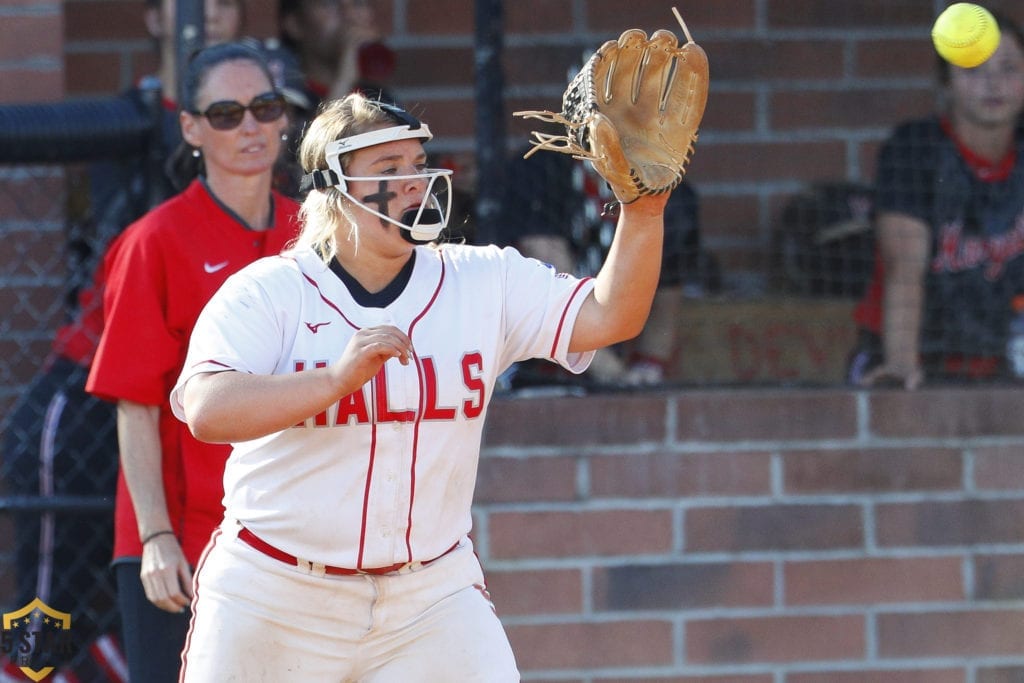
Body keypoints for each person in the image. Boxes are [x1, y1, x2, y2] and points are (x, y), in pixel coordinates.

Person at [168, 93, 669, 680]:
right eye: (388, 170)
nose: (413, 182)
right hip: (277, 591)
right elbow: (206, 409)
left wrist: (644, 213)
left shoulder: (482, 278)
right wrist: (334, 380)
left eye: (417, 164)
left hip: (429, 594)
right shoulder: (270, 291)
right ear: (332, 188)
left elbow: (612, 317)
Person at [0, 1, 246, 679]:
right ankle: (26, 673)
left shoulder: (261, 126)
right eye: (221, 116)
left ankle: (78, 664)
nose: (212, 14)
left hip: (187, 398)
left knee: (134, 604)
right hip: (90, 380)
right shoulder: (135, 115)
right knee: (49, 583)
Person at [84, 41, 301, 683]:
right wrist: (154, 539)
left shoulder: (313, 233)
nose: (251, 127)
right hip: (184, 541)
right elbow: (135, 403)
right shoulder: (153, 242)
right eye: (227, 113)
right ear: (192, 128)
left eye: (264, 107)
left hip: (293, 538)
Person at [849, 7, 1024, 390]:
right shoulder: (914, 149)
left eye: (1009, 69)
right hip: (910, 352)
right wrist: (900, 365)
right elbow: (903, 267)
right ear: (946, 83)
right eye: (973, 71)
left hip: (1004, 358)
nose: (992, 84)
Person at [498, 148, 718, 388]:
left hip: (614, 363)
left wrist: (646, 370)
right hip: (536, 369)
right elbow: (557, 290)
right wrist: (615, 376)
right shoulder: (541, 169)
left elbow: (666, 295)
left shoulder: (670, 193)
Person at [278, 0, 397, 107]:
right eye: (330, 3)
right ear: (295, 24)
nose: (350, 16)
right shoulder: (286, 99)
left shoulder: (380, 97)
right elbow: (318, 131)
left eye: (358, 3)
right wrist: (343, 81)